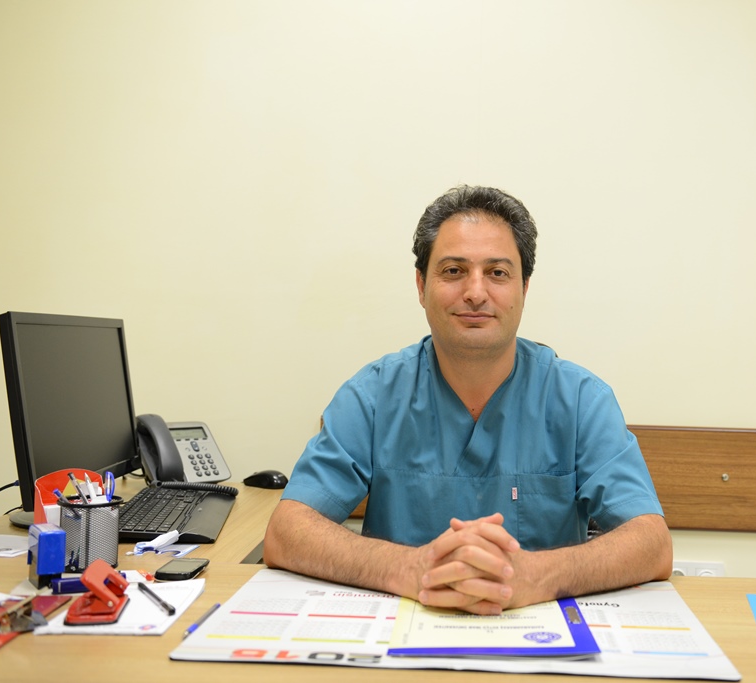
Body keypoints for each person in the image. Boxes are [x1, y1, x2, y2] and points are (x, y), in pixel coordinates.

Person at [263, 185, 672, 615]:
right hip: (403, 630)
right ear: (421, 285)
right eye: (454, 270)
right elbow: (287, 532)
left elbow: (652, 543)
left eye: (497, 273)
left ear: (524, 288)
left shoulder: (581, 400)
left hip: (538, 634)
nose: (476, 292)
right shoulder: (372, 396)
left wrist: (534, 575)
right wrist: (410, 568)